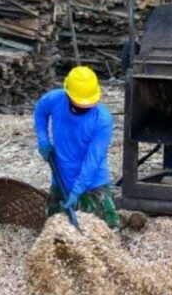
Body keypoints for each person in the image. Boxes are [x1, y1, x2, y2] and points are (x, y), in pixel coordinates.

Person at [34, 66, 119, 229]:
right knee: (54, 228)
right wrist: (43, 140)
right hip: (61, 176)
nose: (84, 107)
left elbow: (93, 160)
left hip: (93, 183)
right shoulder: (55, 99)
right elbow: (40, 111)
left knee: (103, 230)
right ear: (68, 94)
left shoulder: (102, 120)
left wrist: (76, 191)